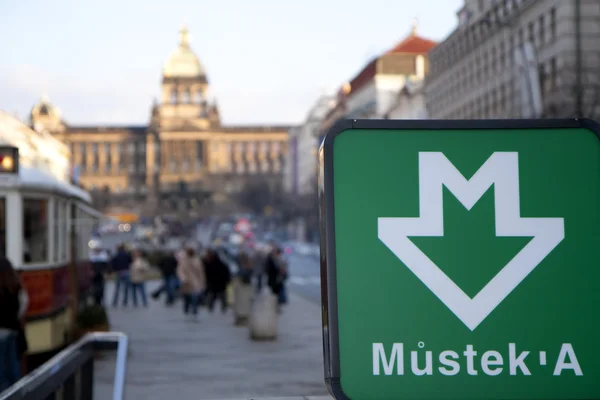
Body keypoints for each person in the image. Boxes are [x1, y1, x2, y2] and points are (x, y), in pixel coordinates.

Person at [0, 258, 29, 378]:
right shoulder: (18, 290)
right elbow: (22, 313)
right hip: (14, 331)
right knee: (13, 368)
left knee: (1, 372)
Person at [177, 247, 206, 320]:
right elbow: (180, 271)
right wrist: (183, 278)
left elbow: (201, 272)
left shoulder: (197, 260)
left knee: (195, 296)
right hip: (186, 281)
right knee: (187, 297)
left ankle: (195, 310)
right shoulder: (183, 261)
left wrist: (202, 281)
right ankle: (186, 307)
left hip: (195, 281)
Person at [202, 248, 231, 313]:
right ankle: (221, 307)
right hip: (219, 283)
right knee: (219, 296)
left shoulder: (211, 264)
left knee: (214, 296)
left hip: (215, 283)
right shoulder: (221, 264)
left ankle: (211, 307)